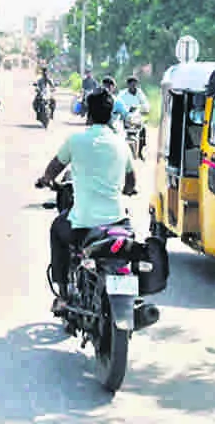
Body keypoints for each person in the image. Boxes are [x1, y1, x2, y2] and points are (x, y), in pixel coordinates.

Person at [36, 88, 138, 316]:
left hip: (84, 225)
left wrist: (45, 180)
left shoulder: (76, 141)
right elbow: (132, 183)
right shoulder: (122, 144)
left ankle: (62, 295)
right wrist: (129, 190)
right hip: (119, 223)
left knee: (56, 229)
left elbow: (54, 167)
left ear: (88, 115)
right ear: (112, 113)